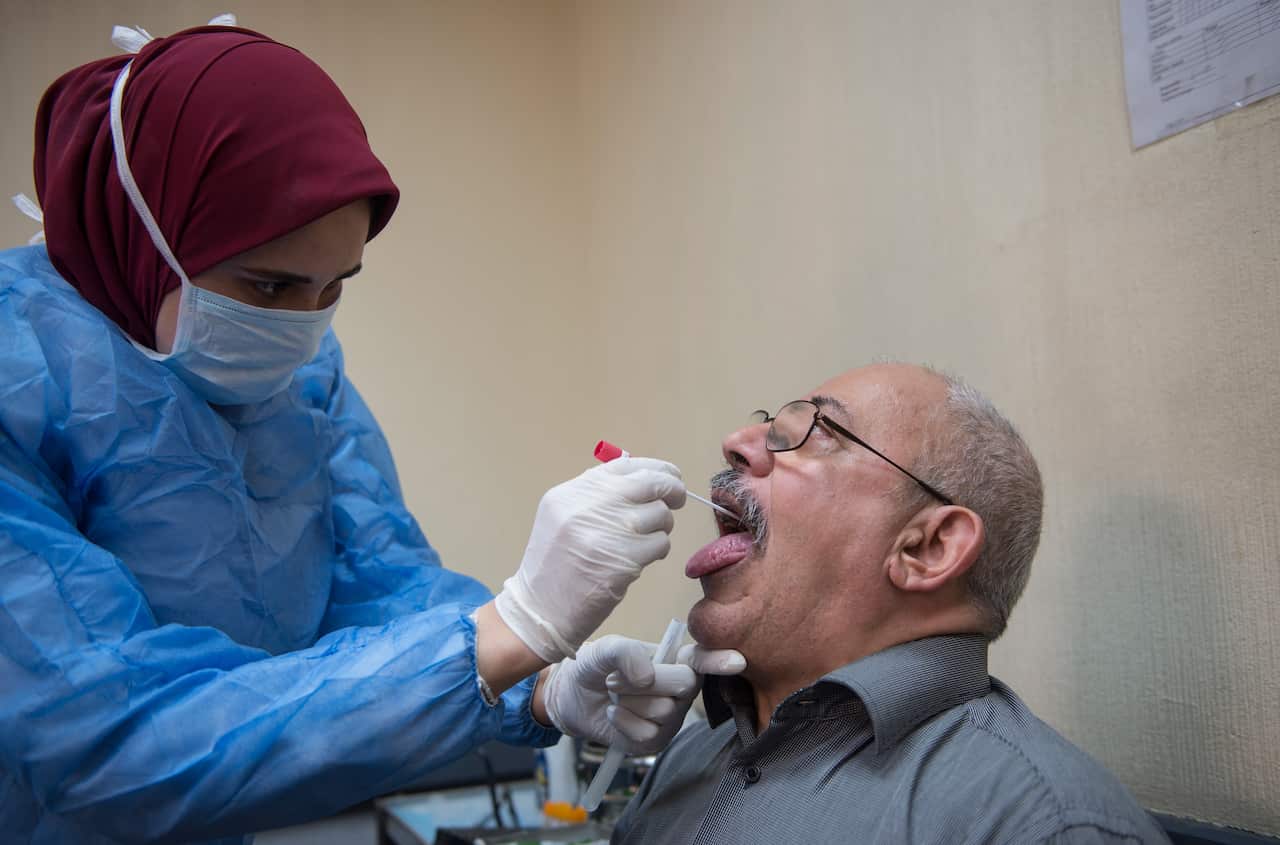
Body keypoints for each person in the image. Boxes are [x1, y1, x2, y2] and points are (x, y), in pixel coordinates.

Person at [0, 20, 742, 844]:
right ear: (141, 239)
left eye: (334, 287)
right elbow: (104, 741)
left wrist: (536, 685)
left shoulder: (300, 385)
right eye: (272, 284)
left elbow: (382, 585)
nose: (302, 326)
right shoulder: (17, 389)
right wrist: (515, 625)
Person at [612, 364, 1170, 844]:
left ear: (928, 548)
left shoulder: (1040, 823)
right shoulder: (688, 757)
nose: (737, 442)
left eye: (818, 430)